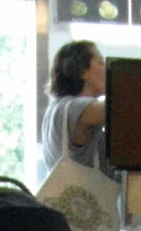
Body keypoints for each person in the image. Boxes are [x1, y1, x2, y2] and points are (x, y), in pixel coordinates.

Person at [40, 40, 112, 178]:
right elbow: (121, 109)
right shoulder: (73, 108)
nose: (107, 69)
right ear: (82, 71)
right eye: (101, 62)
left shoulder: (56, 108)